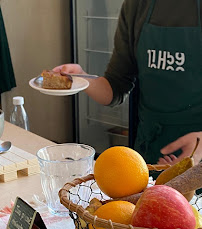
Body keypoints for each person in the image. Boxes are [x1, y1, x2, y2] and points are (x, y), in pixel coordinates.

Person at [54, 0, 202, 166]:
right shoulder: (136, 6)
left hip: (197, 156)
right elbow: (115, 86)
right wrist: (81, 78)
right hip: (149, 152)